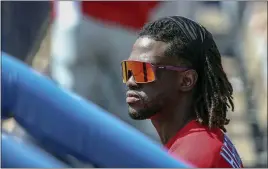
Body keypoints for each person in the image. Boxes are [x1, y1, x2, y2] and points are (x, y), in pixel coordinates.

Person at [121, 16, 244, 168]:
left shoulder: (193, 156)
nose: (130, 81)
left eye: (143, 71)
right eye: (129, 70)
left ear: (186, 80)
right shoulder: (199, 141)